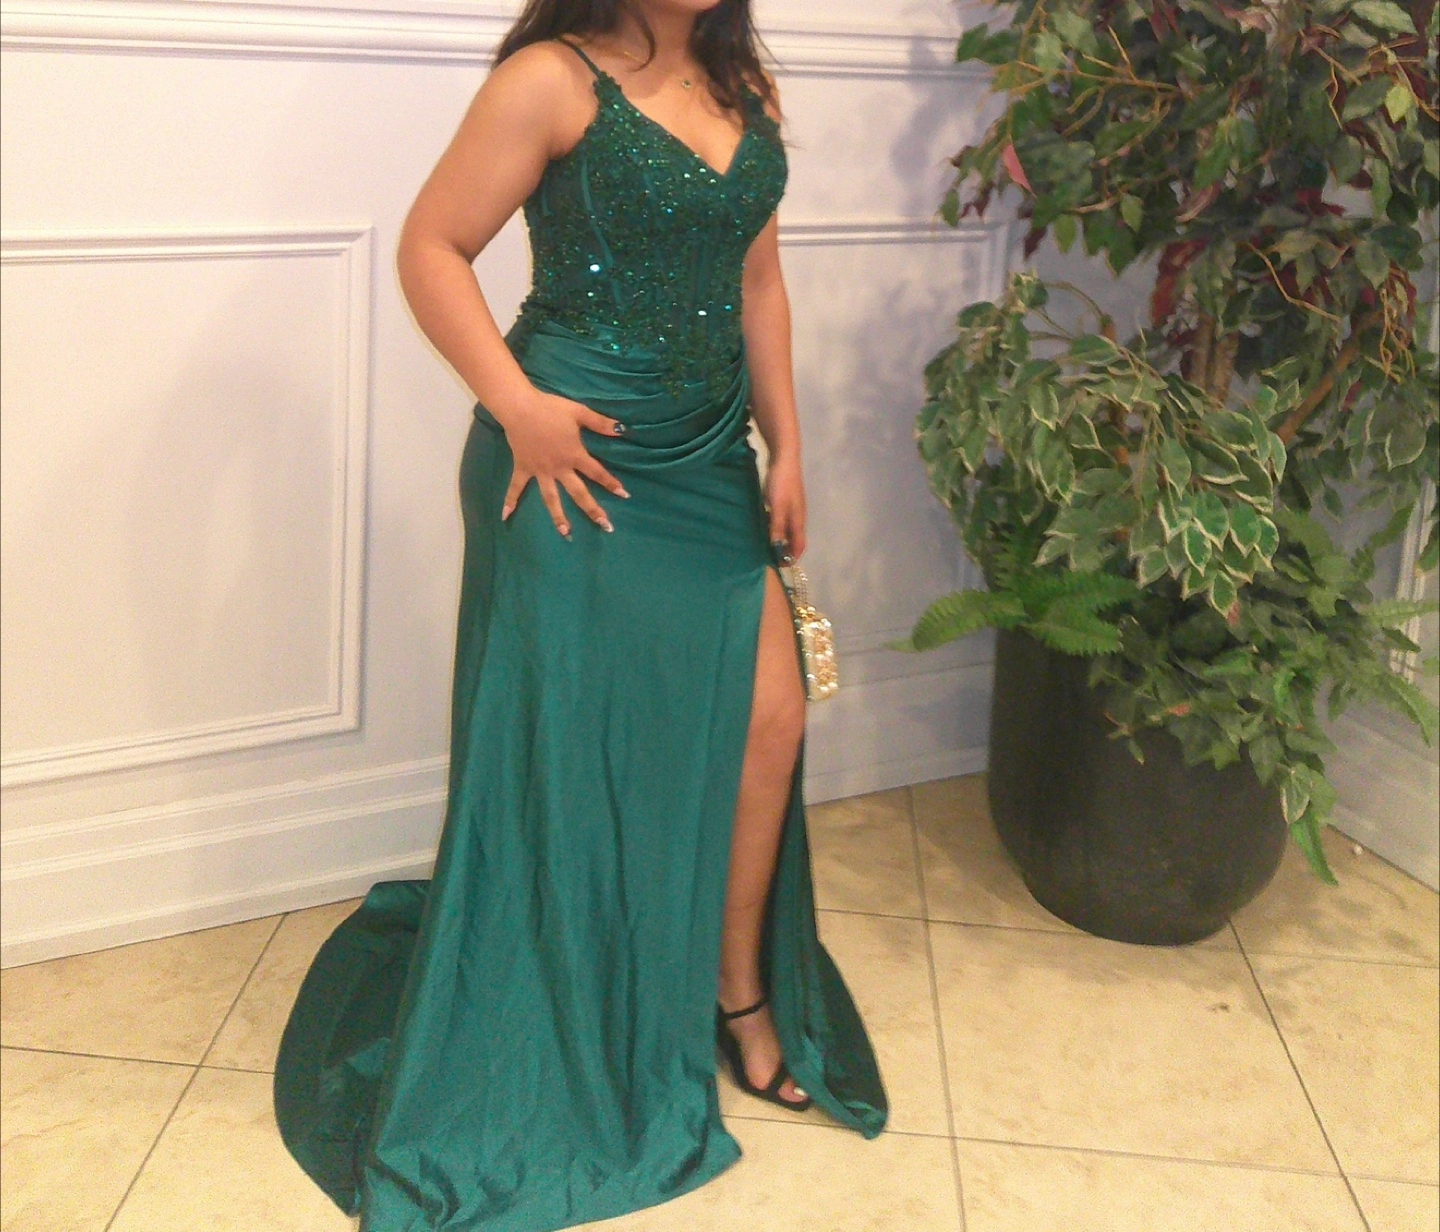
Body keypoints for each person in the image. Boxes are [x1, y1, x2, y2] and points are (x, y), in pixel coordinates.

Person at [272, 1, 888, 1228]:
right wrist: (517, 406)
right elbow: (432, 246)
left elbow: (759, 280)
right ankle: (561, 1007)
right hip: (571, 460)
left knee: (768, 720)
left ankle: (737, 993)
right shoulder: (552, 81)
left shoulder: (742, 80)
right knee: (570, 752)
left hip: (708, 458)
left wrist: (788, 445)